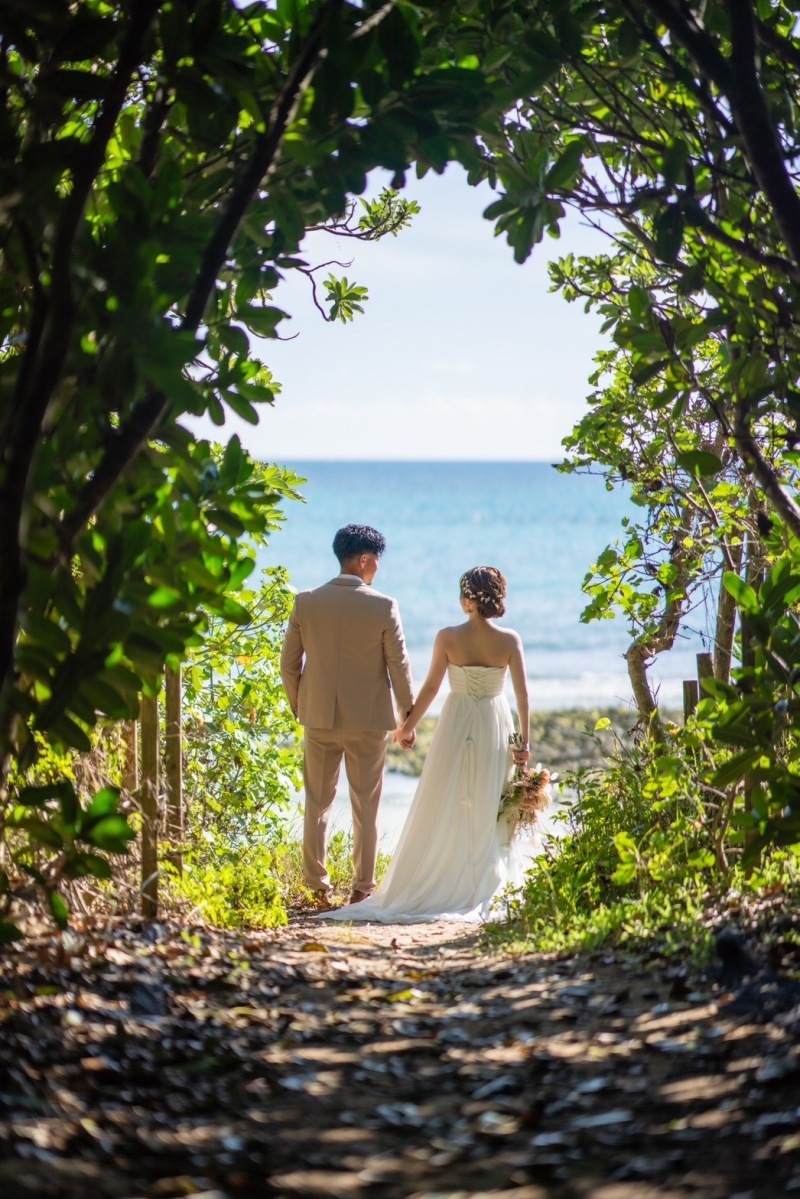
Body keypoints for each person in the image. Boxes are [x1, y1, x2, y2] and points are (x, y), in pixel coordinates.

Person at [317, 565, 531, 924]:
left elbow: (431, 688)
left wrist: (406, 727)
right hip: (495, 721)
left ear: (466, 599)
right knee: (489, 800)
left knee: (446, 797)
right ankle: (480, 879)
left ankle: (445, 874)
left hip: (457, 720)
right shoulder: (510, 640)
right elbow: (523, 695)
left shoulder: (448, 636)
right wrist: (523, 743)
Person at [280, 524, 415, 910]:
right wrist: (407, 720)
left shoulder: (306, 601)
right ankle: (362, 887)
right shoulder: (384, 605)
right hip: (369, 722)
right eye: (376, 562)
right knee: (366, 806)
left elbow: (288, 666)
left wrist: (300, 705)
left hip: (318, 718)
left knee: (317, 805)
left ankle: (317, 886)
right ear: (365, 559)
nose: (377, 570)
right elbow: (399, 667)